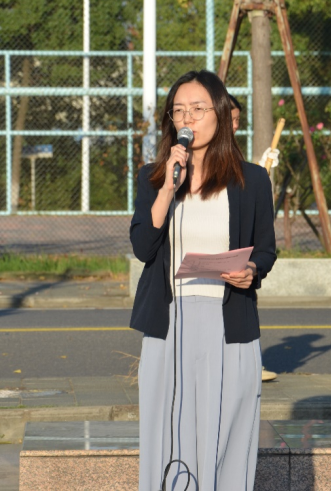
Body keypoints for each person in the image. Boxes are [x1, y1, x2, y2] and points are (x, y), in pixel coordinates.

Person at [130, 70, 277, 491]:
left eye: (197, 108)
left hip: (228, 321)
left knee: (226, 431)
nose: (187, 118)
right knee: (166, 429)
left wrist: (251, 271)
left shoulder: (252, 180)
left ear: (223, 114)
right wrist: (167, 188)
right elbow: (143, 247)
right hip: (170, 323)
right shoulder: (154, 176)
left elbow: (265, 250)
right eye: (178, 110)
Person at [227, 93, 279, 169]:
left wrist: (261, 165)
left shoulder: (231, 147)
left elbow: (240, 174)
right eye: (230, 120)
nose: (236, 125)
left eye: (237, 119)